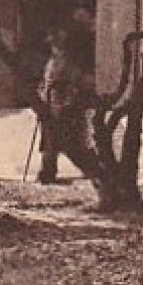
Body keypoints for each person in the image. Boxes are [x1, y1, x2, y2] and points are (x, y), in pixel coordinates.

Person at [35, 23, 92, 185]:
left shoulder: (68, 61)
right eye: (51, 41)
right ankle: (47, 172)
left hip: (63, 105)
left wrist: (66, 103)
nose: (52, 43)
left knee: (66, 141)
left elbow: (73, 84)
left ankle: (91, 170)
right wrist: (41, 96)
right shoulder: (51, 61)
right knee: (49, 140)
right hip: (49, 104)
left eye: (55, 41)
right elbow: (44, 82)